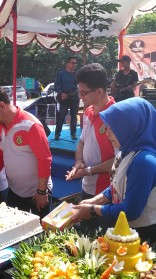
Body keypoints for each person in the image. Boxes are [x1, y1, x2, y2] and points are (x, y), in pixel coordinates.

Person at [72, 97, 156, 244]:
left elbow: (131, 211)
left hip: (142, 238)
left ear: (131, 127)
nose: (107, 133)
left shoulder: (144, 161)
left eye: (113, 128)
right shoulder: (125, 151)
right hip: (125, 232)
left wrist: (92, 210)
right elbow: (117, 185)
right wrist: (95, 200)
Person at [0, 86, 53, 220]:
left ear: (1, 106)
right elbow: (0, 155)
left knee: (42, 234)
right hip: (15, 191)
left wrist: (42, 191)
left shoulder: (31, 125)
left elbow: (45, 160)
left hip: (38, 192)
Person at [66, 63, 116, 235]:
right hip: (86, 187)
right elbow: (81, 143)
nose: (80, 96)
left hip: (107, 192)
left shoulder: (116, 116)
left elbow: (119, 161)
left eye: (83, 92)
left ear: (100, 92)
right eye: (78, 91)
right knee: (85, 237)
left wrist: (87, 171)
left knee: (102, 243)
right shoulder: (88, 112)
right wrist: (78, 163)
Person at [54, 57, 79, 141]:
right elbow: (56, 86)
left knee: (74, 116)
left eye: (75, 63)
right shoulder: (61, 74)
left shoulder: (76, 74)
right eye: (72, 63)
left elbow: (80, 85)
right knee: (61, 116)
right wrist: (61, 93)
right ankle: (57, 134)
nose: (74, 65)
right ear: (67, 63)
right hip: (64, 97)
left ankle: (73, 133)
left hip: (74, 96)